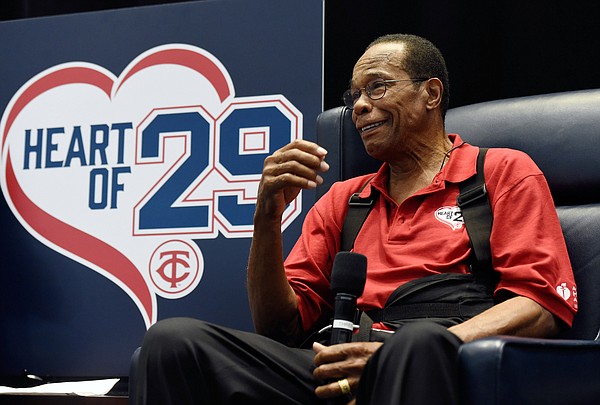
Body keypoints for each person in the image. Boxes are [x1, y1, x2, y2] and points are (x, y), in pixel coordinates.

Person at [133, 34, 577, 404]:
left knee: (416, 344)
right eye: (355, 96)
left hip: (438, 356)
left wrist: (414, 349)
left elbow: (542, 305)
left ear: (431, 93)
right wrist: (267, 216)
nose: (360, 106)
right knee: (172, 343)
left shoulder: (499, 172)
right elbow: (280, 327)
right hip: (338, 362)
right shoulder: (345, 199)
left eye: (378, 87)